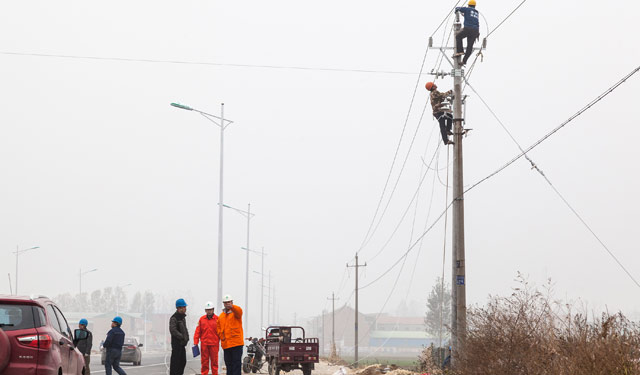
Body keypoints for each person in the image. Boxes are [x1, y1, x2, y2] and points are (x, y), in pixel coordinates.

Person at [217, 295, 244, 375]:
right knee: (229, 365)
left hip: (236, 344)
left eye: (229, 302)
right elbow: (218, 328)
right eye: (225, 302)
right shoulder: (221, 316)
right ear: (223, 304)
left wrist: (232, 307)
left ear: (232, 302)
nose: (227, 304)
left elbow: (239, 311)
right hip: (226, 345)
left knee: (236, 365)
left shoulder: (236, 313)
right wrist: (222, 337)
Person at [194, 301, 220, 375]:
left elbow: (221, 332)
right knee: (204, 362)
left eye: (210, 309)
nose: (209, 311)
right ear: (205, 310)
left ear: (213, 309)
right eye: (207, 310)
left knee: (214, 362)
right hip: (204, 344)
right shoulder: (201, 319)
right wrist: (195, 342)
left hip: (214, 344)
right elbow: (197, 332)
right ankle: (204, 373)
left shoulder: (218, 319)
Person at [453, 0, 480, 66]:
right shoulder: (476, 13)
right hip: (475, 31)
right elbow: (471, 18)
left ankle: (460, 51)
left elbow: (457, 8)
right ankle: (464, 61)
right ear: (475, 6)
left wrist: (456, 11)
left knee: (458, 37)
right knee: (469, 46)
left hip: (468, 29)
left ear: (468, 5)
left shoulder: (467, 9)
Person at [169, 298, 190, 375]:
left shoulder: (182, 318)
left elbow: (185, 329)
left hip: (182, 345)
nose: (185, 309)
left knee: (182, 362)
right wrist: (182, 337)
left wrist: (187, 338)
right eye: (184, 307)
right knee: (175, 365)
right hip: (176, 345)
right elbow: (173, 330)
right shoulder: (174, 318)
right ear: (179, 308)